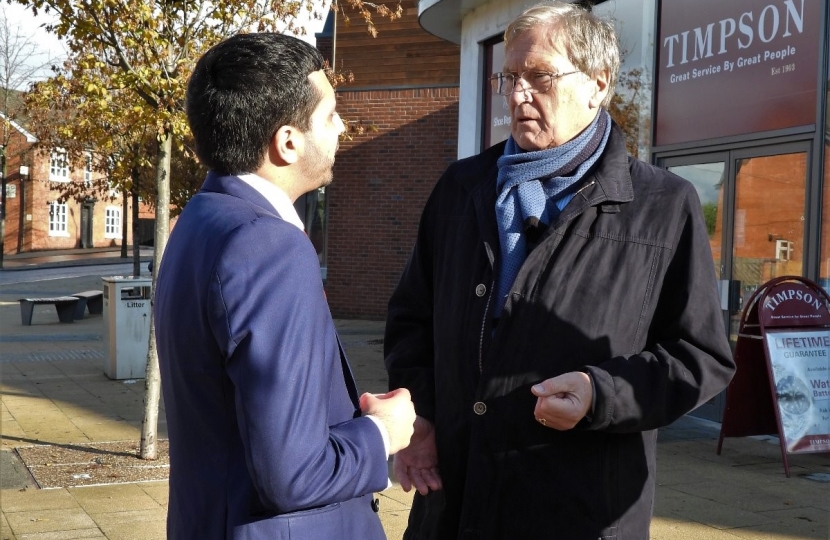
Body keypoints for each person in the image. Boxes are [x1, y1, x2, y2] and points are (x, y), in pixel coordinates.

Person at [384, 2, 736, 539]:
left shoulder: (663, 205)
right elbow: (412, 323)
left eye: (540, 77)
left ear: (598, 84)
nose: (517, 95)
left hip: (578, 509)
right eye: (509, 77)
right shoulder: (461, 189)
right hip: (454, 503)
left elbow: (700, 357)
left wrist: (602, 394)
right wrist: (421, 419)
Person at [154, 33, 416, 540]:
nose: (343, 127)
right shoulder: (267, 245)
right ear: (288, 141)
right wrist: (383, 432)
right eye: (330, 114)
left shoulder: (201, 219)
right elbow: (293, 475)